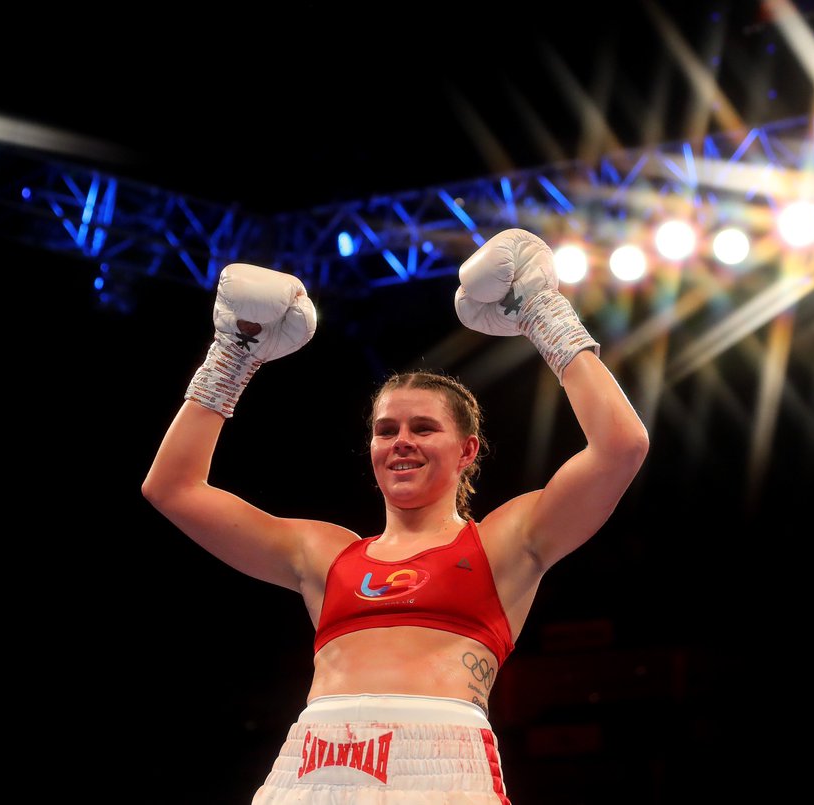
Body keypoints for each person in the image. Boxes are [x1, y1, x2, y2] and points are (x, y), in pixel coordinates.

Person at [142, 227, 649, 804]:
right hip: (311, 766)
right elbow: (173, 489)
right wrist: (232, 356)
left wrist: (543, 314)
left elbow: (620, 448)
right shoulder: (326, 554)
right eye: (387, 430)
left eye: (423, 428)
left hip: (440, 763)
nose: (400, 442)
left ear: (467, 451)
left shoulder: (506, 544)